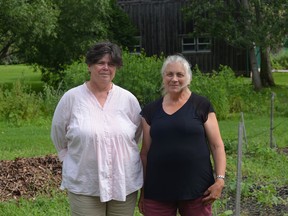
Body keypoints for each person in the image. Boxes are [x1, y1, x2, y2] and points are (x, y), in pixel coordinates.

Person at [51, 41, 143, 216]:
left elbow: (136, 135)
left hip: (123, 182)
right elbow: (58, 134)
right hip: (85, 181)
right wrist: (70, 160)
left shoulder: (128, 99)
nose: (106, 68)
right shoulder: (71, 98)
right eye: (101, 63)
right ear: (89, 66)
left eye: (111, 64)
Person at [138, 54, 226, 216]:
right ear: (163, 77)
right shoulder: (150, 111)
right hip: (158, 189)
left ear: (188, 78)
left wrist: (220, 179)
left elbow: (217, 145)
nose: (174, 79)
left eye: (180, 74)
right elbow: (145, 153)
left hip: (197, 189)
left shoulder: (201, 105)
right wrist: (144, 190)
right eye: (169, 74)